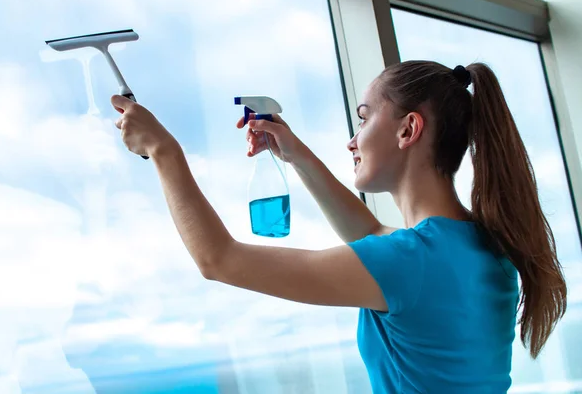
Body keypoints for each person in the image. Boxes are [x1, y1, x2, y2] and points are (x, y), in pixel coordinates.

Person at [110, 60, 567, 393]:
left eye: (364, 118)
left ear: (409, 130)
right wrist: (294, 153)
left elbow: (219, 260)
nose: (352, 140)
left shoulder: (408, 262)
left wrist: (163, 150)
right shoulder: (485, 248)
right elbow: (371, 236)